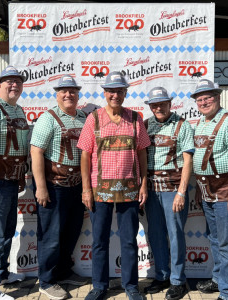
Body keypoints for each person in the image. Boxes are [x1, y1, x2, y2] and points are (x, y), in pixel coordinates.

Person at [77, 71, 150, 300]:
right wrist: (86, 189)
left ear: (125, 92)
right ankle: (99, 286)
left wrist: (144, 184)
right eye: (111, 91)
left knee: (129, 242)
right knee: (99, 242)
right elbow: (85, 156)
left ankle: (131, 287)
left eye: (119, 90)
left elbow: (142, 153)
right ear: (105, 93)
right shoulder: (94, 119)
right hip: (100, 192)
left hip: (130, 190)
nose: (115, 95)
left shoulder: (136, 118)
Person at [30, 75, 87, 300]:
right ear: (57, 94)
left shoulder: (83, 118)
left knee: (71, 231)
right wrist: (41, 187)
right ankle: (46, 280)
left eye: (72, 91)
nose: (68, 95)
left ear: (78, 94)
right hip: (54, 185)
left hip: (76, 186)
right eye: (63, 91)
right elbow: (36, 152)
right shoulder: (48, 118)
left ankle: (63, 271)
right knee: (51, 236)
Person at [192, 79, 228, 300]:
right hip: (207, 190)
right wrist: (199, 186)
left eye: (208, 97)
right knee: (215, 239)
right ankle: (219, 279)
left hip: (225, 190)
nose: (204, 101)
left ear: (218, 97)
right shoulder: (201, 122)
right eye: (200, 98)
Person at [143, 87, 194, 300]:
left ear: (169, 104)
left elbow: (188, 160)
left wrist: (182, 192)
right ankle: (162, 275)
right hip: (152, 190)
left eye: (162, 103)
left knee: (175, 235)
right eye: (154, 104)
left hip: (173, 189)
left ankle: (178, 281)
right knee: (155, 235)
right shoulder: (145, 125)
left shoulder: (182, 125)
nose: (158, 108)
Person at [0, 66, 28, 300]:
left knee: (6, 232)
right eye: (9, 81)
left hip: (12, 180)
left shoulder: (19, 110)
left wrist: (21, 176)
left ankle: (1, 274)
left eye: (18, 81)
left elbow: (19, 149)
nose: (14, 85)